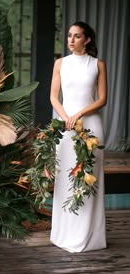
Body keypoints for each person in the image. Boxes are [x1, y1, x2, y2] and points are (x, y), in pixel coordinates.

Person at [50, 21, 107, 252]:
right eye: (69, 36)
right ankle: (64, 233)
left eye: (77, 36)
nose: (71, 40)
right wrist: (66, 118)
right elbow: (54, 97)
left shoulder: (98, 65)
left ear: (87, 39)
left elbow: (101, 99)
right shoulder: (60, 63)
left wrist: (79, 115)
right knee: (65, 178)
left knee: (89, 178)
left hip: (90, 126)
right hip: (65, 127)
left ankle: (88, 236)